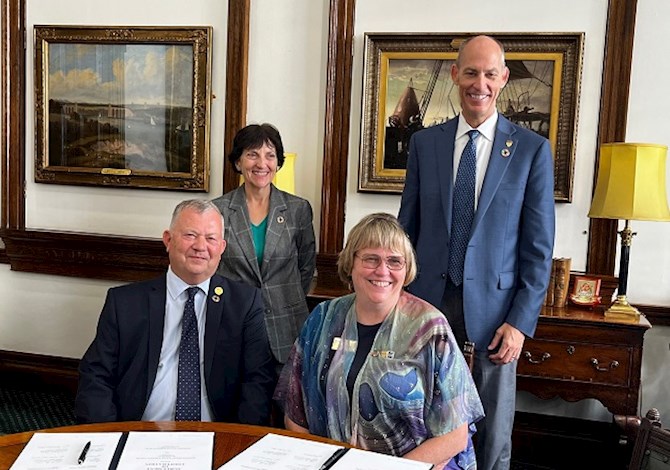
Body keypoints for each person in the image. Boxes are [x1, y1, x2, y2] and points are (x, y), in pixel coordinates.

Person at [398, 35, 555, 470]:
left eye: (489, 74)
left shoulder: (530, 150)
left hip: (495, 320)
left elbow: (538, 250)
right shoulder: (424, 145)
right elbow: (405, 233)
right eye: (470, 72)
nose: (479, 83)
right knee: (421, 425)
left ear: (503, 79)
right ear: (455, 75)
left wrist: (520, 323)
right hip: (426, 309)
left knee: (489, 440)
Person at [275, 213, 484, 470]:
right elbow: (296, 413)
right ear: (350, 263)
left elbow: (454, 436)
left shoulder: (430, 328)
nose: (382, 271)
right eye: (371, 258)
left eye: (394, 261)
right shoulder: (322, 319)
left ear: (407, 269)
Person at [75, 199, 275, 424]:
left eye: (210, 238)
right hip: (140, 433)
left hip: (215, 435)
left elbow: (257, 381)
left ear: (221, 248)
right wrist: (110, 438)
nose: (200, 246)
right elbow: (96, 376)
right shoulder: (124, 303)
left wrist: (239, 443)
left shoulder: (245, 303)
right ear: (168, 240)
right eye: (190, 235)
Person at [212, 123, 316, 374]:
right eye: (252, 154)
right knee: (238, 409)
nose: (262, 163)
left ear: (278, 163)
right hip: (234, 325)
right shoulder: (218, 211)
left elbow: (306, 265)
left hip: (287, 327)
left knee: (288, 409)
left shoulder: (298, 209)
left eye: (270, 155)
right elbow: (211, 270)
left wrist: (286, 299)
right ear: (238, 162)